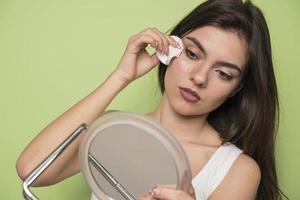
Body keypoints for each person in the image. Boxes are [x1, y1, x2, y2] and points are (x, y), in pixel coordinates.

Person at [16, 0, 289, 199]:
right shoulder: (110, 129)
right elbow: (32, 171)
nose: (199, 77)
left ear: (236, 89)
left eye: (223, 73)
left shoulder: (235, 170)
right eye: (192, 54)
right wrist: (121, 76)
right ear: (171, 49)